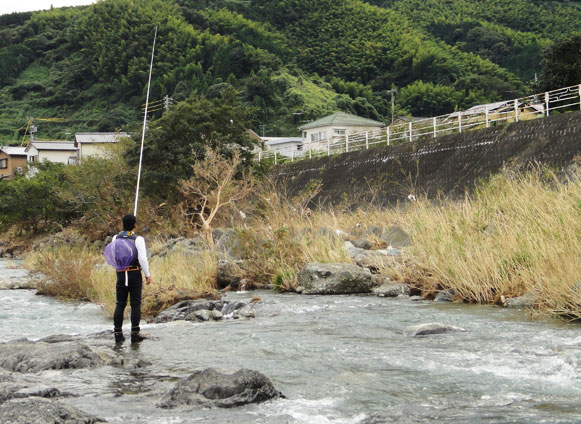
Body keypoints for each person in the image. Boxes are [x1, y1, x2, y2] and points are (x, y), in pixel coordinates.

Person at [113, 214, 151, 343]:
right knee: (135, 304)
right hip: (134, 274)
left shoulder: (115, 238)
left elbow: (114, 255)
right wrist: (147, 274)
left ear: (122, 225)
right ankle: (135, 333)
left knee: (120, 304)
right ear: (135, 225)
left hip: (121, 274)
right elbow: (142, 259)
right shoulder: (138, 239)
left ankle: (118, 333)